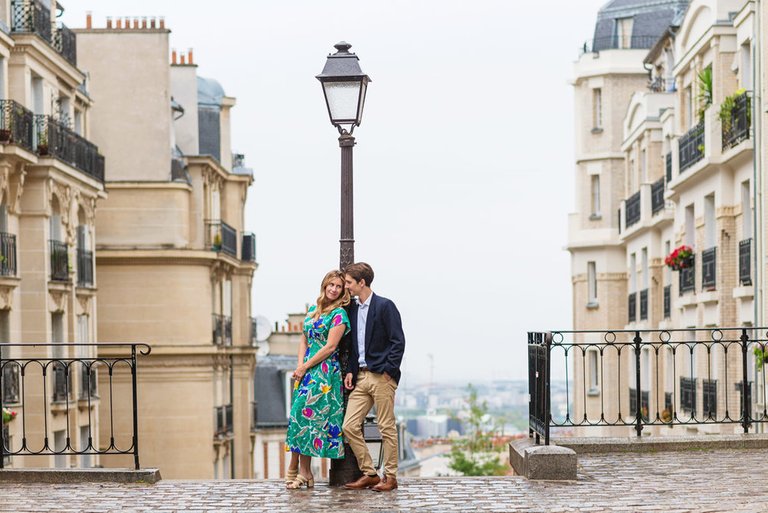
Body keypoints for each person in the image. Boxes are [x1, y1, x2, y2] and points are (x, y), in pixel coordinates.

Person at [341, 262, 405, 492]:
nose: (346, 287)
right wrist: (350, 371)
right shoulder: (353, 309)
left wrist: (388, 371)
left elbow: (398, 342)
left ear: (362, 282)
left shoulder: (385, 306)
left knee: (386, 427)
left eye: (349, 282)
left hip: (381, 377)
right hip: (361, 377)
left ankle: (391, 477)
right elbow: (353, 346)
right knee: (349, 426)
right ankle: (369, 473)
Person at [284, 270, 351, 489]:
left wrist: (305, 365)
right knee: (300, 418)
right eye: (331, 285)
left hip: (323, 373)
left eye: (338, 286)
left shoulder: (339, 314)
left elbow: (331, 346)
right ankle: (304, 472)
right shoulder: (313, 310)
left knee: (312, 419)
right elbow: (303, 340)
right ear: (324, 285)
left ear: (342, 291)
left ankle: (302, 472)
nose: (333, 289)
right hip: (306, 371)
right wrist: (299, 365)